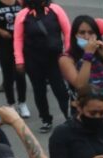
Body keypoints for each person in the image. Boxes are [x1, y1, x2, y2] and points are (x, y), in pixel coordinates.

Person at [12, 0, 70, 132]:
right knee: (39, 90)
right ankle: (46, 119)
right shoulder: (23, 14)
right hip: (33, 59)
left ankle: (68, 116)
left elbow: (67, 32)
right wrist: (19, 61)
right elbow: (18, 39)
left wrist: (67, 54)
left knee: (60, 89)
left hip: (54, 59)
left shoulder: (56, 9)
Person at [59, 15, 103, 107]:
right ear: (75, 35)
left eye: (91, 32)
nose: (86, 37)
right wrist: (88, 56)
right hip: (84, 110)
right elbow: (80, 86)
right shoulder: (66, 59)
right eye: (82, 32)